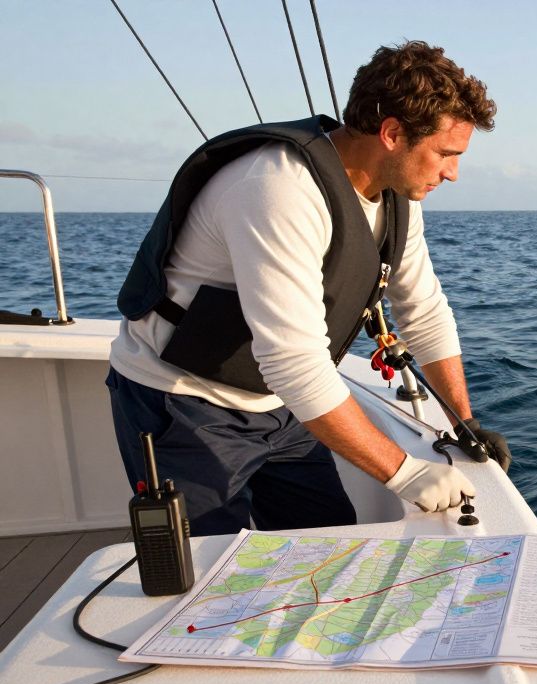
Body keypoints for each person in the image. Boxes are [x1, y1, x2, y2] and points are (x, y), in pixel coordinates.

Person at [106, 41, 509, 536]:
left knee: (323, 549)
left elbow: (423, 311)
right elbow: (292, 361)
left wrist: (461, 423)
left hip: (282, 409)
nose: (453, 172)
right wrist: (406, 474)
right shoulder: (278, 187)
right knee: (206, 580)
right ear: (392, 133)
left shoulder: (398, 197)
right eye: (446, 153)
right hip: (186, 404)